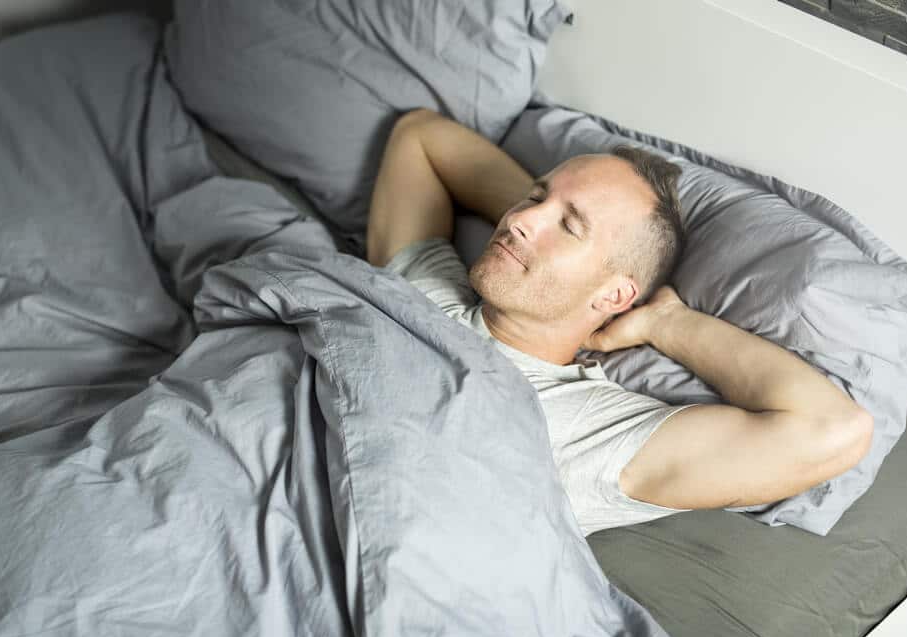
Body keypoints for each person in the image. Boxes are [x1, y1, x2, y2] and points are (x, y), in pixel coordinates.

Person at [365, 108, 873, 535]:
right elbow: (420, 136)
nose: (519, 219)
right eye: (534, 198)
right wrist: (549, 226)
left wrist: (669, 324)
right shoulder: (427, 293)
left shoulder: (587, 427)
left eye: (569, 227)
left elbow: (834, 429)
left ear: (615, 294)